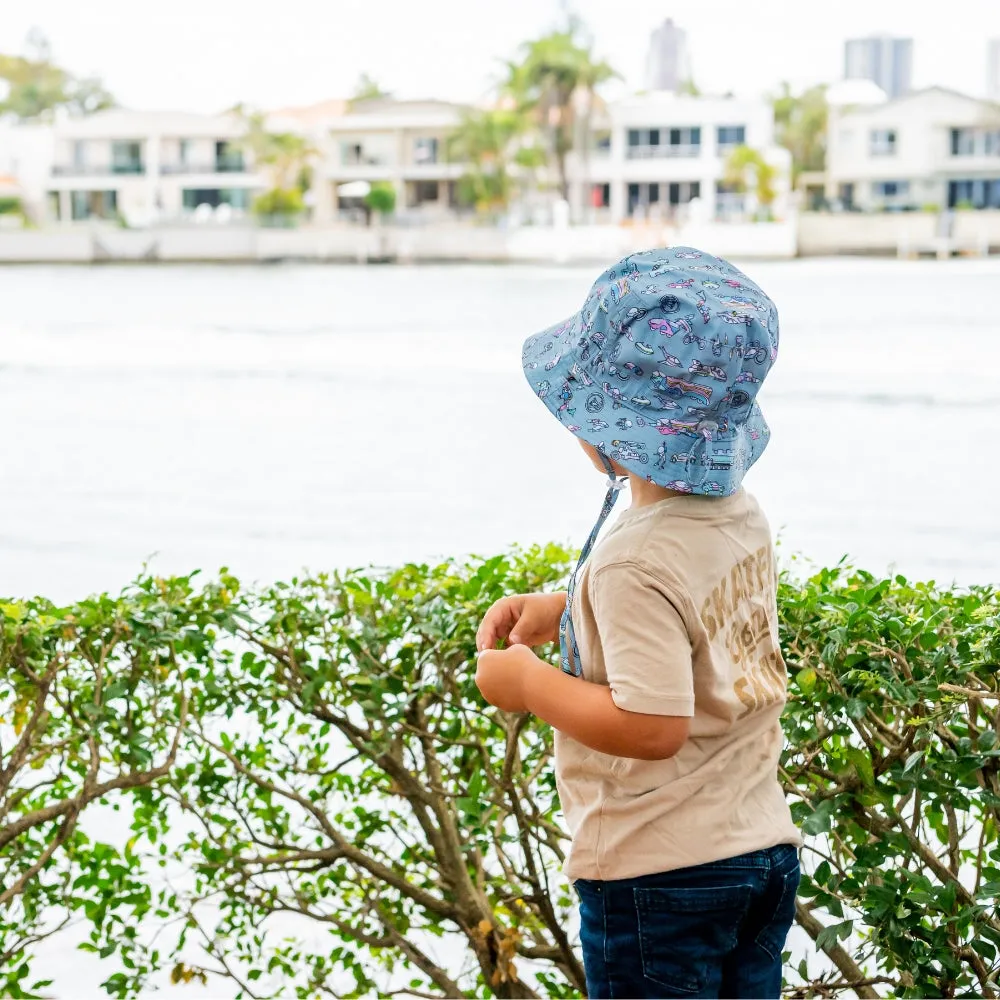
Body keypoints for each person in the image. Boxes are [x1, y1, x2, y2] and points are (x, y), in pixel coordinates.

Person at [475, 247, 802, 1000]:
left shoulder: (633, 561)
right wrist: (569, 610)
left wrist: (528, 683)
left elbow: (652, 725)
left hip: (661, 875)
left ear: (616, 430)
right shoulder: (739, 514)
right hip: (758, 851)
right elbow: (699, 627)